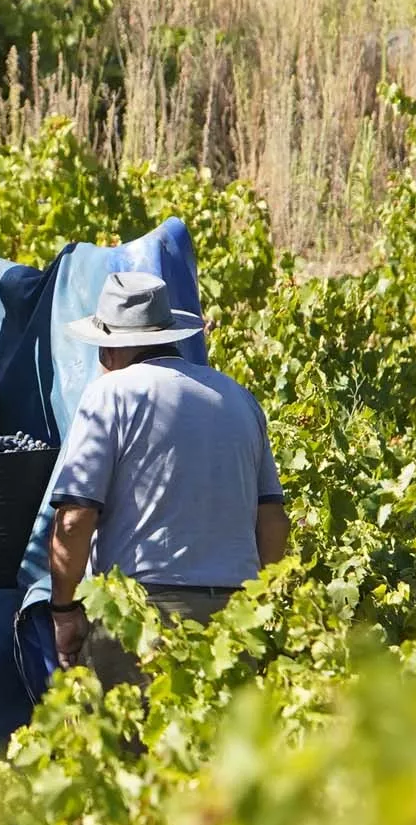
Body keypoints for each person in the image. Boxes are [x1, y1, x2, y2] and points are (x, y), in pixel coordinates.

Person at [47, 271, 290, 689]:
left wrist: (64, 611)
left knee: (131, 749)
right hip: (236, 617)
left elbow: (74, 519)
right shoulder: (237, 398)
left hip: (142, 615)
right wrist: (258, 607)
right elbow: (272, 521)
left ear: (112, 346)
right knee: (221, 751)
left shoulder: (111, 394)